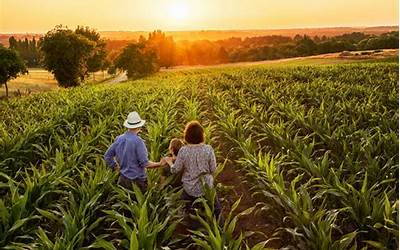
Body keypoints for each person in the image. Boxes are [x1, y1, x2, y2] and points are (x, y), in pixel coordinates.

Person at [164, 121, 222, 219]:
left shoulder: (183, 151)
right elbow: (213, 170)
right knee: (217, 210)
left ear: (187, 136)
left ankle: (190, 221)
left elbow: (175, 170)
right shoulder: (208, 149)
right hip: (206, 188)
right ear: (201, 135)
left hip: (189, 189)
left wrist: (169, 162)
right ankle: (218, 226)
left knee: (187, 208)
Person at [104, 111, 164, 192]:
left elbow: (107, 156)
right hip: (137, 182)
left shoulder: (119, 139)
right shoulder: (138, 141)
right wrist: (160, 164)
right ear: (139, 126)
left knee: (124, 202)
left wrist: (115, 166)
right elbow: (145, 164)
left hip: (122, 179)